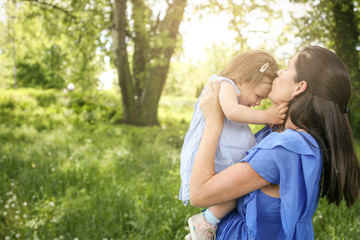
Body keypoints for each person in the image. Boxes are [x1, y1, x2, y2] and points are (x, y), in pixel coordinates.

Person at [188, 45, 360, 240]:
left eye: (287, 68)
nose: (278, 72)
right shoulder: (287, 136)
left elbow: (199, 194)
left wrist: (213, 122)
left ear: (299, 87)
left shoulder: (284, 148)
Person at [179, 50, 288, 240]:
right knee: (232, 189)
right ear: (242, 78)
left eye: (262, 100)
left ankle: (207, 222)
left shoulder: (239, 94)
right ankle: (207, 222)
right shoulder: (225, 84)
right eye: (258, 95)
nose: (258, 102)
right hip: (214, 152)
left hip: (225, 153)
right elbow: (231, 112)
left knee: (236, 190)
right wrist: (266, 116)